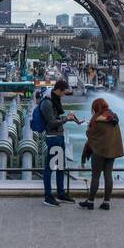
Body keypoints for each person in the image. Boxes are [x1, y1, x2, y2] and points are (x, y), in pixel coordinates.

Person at [38, 78, 81, 207]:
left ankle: (61, 193)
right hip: (53, 137)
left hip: (59, 136)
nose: (63, 95)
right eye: (63, 92)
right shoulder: (47, 103)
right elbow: (51, 123)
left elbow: (57, 118)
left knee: (61, 167)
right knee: (50, 167)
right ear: (57, 90)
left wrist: (70, 119)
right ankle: (48, 196)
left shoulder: (54, 100)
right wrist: (66, 118)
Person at [78, 97, 124, 210]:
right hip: (111, 151)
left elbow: (90, 134)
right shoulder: (114, 119)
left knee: (95, 176)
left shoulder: (97, 120)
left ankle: (90, 201)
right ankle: (106, 202)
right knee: (108, 175)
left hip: (99, 151)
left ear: (96, 108)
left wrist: (89, 127)